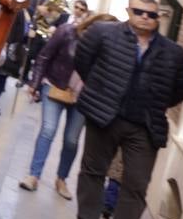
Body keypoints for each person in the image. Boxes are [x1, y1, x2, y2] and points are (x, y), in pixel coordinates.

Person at [68, 0, 183, 219]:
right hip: (104, 116)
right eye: (139, 11)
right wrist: (100, 90)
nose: (145, 17)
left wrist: (153, 105)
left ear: (158, 18)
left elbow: (179, 90)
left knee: (136, 186)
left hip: (145, 127)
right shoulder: (103, 33)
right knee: (93, 171)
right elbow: (83, 61)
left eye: (152, 14)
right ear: (128, 11)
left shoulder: (174, 53)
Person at [21, 11, 118, 199]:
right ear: (94, 24)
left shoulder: (109, 48)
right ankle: (33, 175)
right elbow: (44, 57)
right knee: (48, 130)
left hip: (82, 97)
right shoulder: (67, 32)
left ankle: (61, 179)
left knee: (72, 140)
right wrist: (34, 83)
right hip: (55, 85)